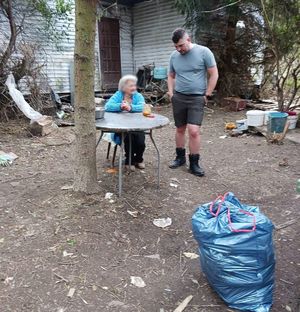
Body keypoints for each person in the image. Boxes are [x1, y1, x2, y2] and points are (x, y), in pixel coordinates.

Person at [168, 28, 219, 176]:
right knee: (179, 129)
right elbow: (171, 76)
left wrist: (207, 94)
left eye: (181, 45)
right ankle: (180, 158)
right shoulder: (174, 56)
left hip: (197, 97)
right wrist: (171, 93)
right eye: (176, 47)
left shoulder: (204, 52)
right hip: (179, 97)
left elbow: (214, 73)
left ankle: (194, 163)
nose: (179, 49)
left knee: (194, 131)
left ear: (189, 40)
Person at [105, 75, 146, 171]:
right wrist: (120, 106)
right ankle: (129, 160)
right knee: (128, 138)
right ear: (123, 87)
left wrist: (131, 108)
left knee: (140, 142)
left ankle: (139, 159)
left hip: (137, 125)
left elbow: (143, 106)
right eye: (131, 86)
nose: (134, 88)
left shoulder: (138, 96)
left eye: (134, 85)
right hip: (121, 126)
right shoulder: (118, 95)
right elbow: (107, 106)